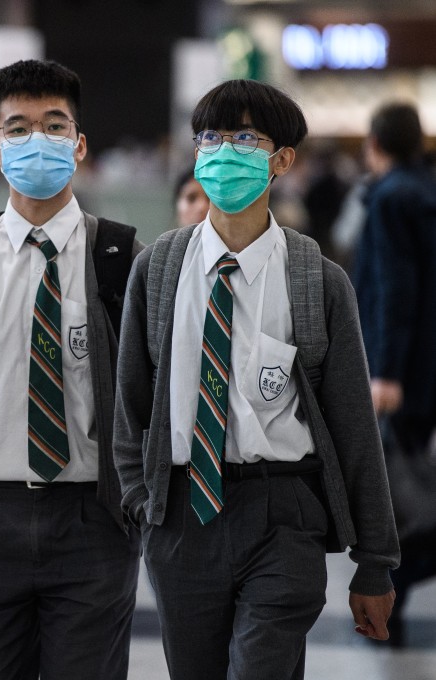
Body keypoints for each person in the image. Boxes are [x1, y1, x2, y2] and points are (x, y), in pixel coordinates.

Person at [113, 79, 400, 680]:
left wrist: (375, 562)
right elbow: (130, 407)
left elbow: (353, 425)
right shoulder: (158, 269)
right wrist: (143, 502)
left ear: (282, 159)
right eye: (210, 138)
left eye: (245, 137)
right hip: (184, 516)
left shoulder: (317, 281)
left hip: (283, 512)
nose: (223, 151)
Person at [0, 59, 142, 680]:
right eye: (17, 129)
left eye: (54, 125)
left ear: (80, 144)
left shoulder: (121, 258)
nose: (36, 140)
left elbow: (145, 392)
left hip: (91, 522)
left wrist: (127, 503)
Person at [352, 101, 436, 646]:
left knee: (398, 499)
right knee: (410, 487)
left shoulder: (389, 198)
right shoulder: (427, 191)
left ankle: (388, 610)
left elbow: (392, 290)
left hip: (401, 371)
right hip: (429, 366)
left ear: (376, 144)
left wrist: (383, 371)